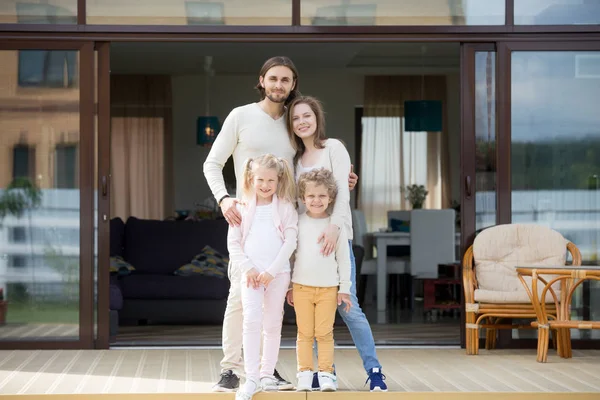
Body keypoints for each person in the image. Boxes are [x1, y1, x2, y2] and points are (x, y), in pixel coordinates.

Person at [203, 56, 358, 392]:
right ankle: (231, 369)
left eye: (285, 80)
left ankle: (266, 370)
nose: (278, 85)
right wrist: (225, 199)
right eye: (273, 79)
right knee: (240, 298)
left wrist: (338, 181)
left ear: (292, 84)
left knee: (277, 300)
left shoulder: (293, 122)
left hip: (288, 223)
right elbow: (212, 163)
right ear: (262, 81)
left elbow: (309, 163)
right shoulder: (241, 116)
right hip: (248, 220)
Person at [286, 95, 388, 392]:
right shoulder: (294, 160)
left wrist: (334, 228)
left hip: (337, 240)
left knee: (349, 308)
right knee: (313, 321)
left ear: (317, 118)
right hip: (308, 245)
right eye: (295, 118)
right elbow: (296, 202)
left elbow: (343, 192)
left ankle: (375, 370)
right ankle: (319, 373)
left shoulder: (334, 148)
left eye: (307, 116)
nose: (302, 122)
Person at [228, 154, 298, 400]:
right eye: (260, 179)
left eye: (271, 180)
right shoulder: (241, 207)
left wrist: (272, 271)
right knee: (251, 321)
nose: (265, 185)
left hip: (277, 275)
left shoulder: (286, 208)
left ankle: (267, 374)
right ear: (251, 178)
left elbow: (290, 242)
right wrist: (249, 268)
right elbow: (234, 243)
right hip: (251, 276)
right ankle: (252, 378)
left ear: (279, 180)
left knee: (272, 324)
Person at [289, 168, 352, 392]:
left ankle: (326, 374)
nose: (316, 200)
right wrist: (289, 286)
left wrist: (344, 289)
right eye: (311, 196)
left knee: (324, 334)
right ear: (303, 198)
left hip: (328, 289)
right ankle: (304, 375)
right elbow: (291, 257)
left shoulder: (336, 228)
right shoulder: (296, 223)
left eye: (322, 196)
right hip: (301, 287)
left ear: (331, 197)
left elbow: (344, 260)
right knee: (304, 333)